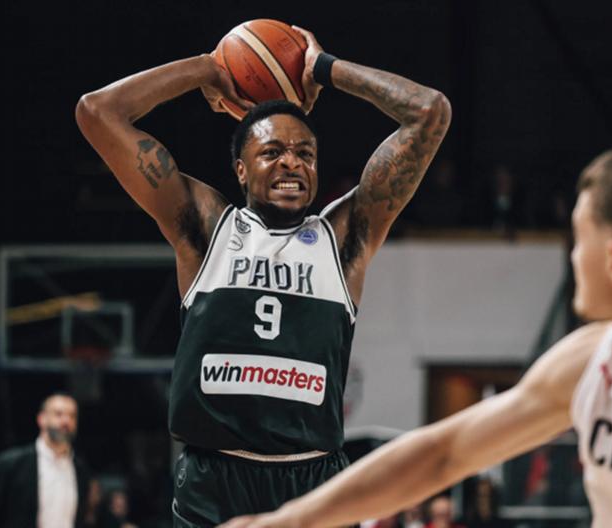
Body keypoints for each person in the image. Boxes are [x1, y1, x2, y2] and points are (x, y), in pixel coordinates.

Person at [219, 141, 612, 528]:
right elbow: (444, 453)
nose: (572, 256)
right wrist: (290, 521)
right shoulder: (590, 361)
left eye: (580, 238)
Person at [75, 25, 450, 527]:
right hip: (214, 476)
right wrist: (210, 68)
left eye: (305, 154)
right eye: (272, 152)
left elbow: (429, 112)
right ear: (241, 169)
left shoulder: (344, 238)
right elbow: (97, 112)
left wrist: (324, 68)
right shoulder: (205, 227)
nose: (291, 162)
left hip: (313, 478)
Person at [0, 393, 91, 528]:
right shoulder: (12, 463)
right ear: (41, 419)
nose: (66, 421)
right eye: (58, 414)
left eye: (72, 416)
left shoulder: (81, 470)